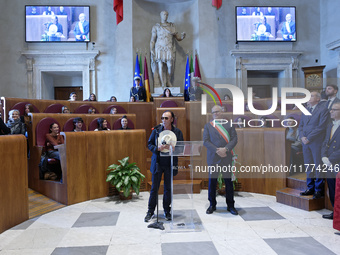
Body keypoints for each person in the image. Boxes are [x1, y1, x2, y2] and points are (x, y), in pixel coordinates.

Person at [145, 110, 184, 222]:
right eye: (162, 118)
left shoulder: (177, 132)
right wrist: (157, 148)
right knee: (154, 189)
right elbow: (149, 144)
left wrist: (175, 149)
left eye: (166, 118)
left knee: (168, 189)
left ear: (172, 119)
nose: (163, 120)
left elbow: (182, 148)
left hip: (170, 163)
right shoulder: (157, 130)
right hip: (158, 162)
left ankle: (167, 211)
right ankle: (150, 211)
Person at [203, 105, 238, 215]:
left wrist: (226, 149)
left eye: (217, 112)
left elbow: (234, 139)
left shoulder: (229, 124)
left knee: (228, 182)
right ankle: (212, 204)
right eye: (213, 112)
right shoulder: (208, 126)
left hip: (226, 157)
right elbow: (206, 141)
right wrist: (217, 150)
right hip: (213, 158)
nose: (215, 114)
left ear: (222, 112)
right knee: (212, 182)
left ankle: (230, 205)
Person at [298, 91, 330, 199]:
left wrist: (309, 138)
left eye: (311, 96)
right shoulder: (305, 110)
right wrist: (302, 137)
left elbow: (321, 127)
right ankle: (310, 188)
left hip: (316, 142)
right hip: (305, 143)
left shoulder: (323, 110)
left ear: (318, 99)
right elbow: (301, 126)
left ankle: (318, 190)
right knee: (308, 166)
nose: (308, 98)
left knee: (318, 166)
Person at [150, 11, 186, 88]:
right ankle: (163, 83)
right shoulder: (156, 27)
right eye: (164, 14)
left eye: (166, 14)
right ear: (160, 15)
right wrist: (151, 49)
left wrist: (182, 37)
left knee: (170, 65)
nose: (165, 16)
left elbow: (178, 38)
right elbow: (153, 40)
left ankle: (168, 80)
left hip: (168, 46)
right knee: (160, 65)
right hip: (159, 47)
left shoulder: (172, 27)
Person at [321, 102, 340, 220]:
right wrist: (323, 156)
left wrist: (331, 159)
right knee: (332, 188)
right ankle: (335, 213)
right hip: (328, 163)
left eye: (334, 109)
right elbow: (325, 142)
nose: (331, 111)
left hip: (337, 162)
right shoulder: (330, 125)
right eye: (331, 109)